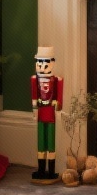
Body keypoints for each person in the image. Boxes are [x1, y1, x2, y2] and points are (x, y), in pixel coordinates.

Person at [31, 46, 63, 182]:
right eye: (39, 62)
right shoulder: (34, 79)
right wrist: (34, 111)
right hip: (40, 113)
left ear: (52, 62)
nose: (42, 65)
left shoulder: (57, 80)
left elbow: (59, 97)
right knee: (41, 142)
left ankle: (51, 171)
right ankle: (41, 169)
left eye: (45, 62)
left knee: (50, 142)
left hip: (50, 114)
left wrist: (58, 107)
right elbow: (34, 96)